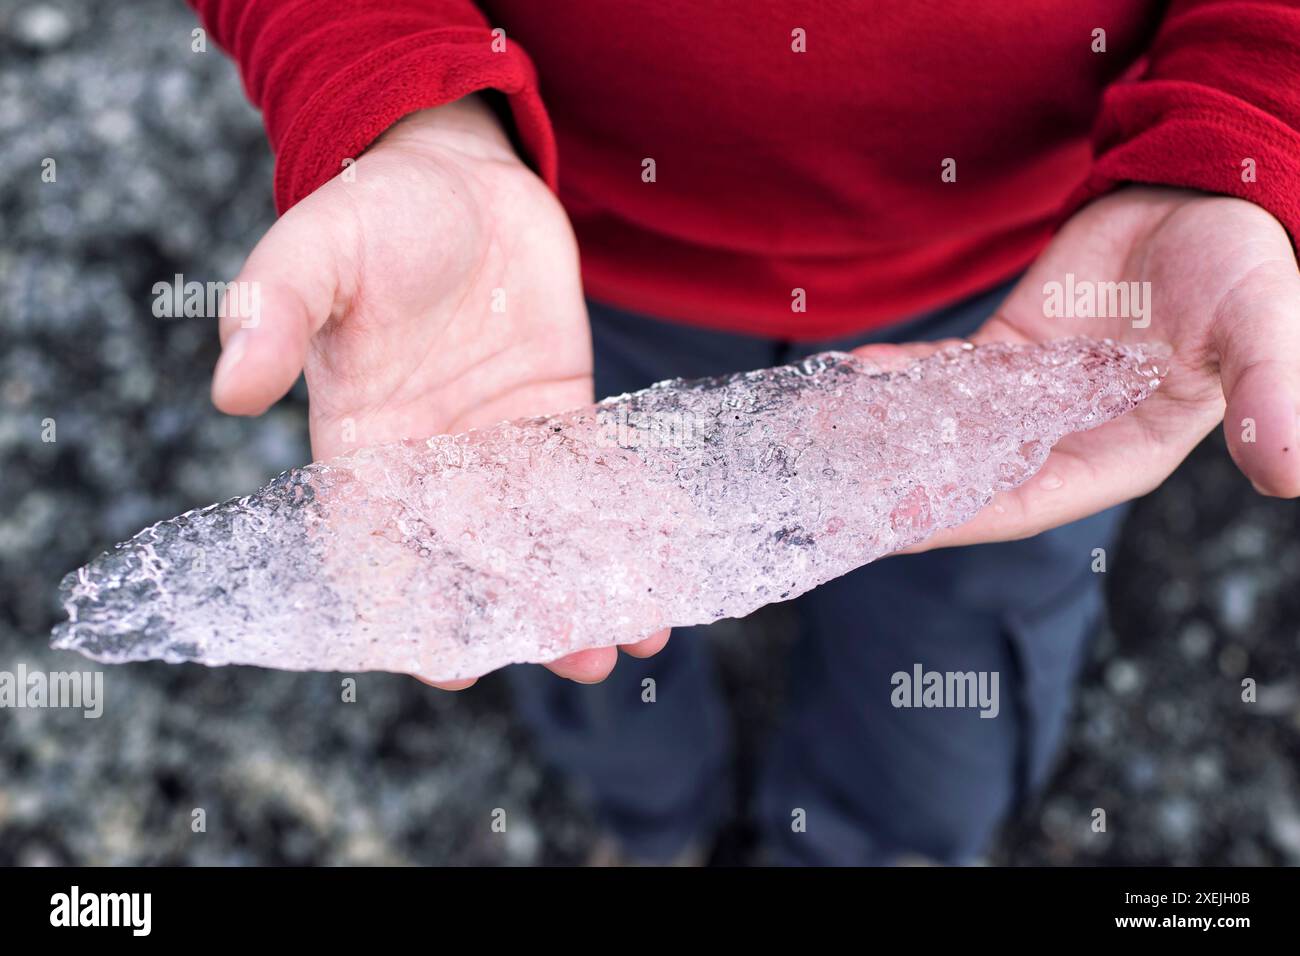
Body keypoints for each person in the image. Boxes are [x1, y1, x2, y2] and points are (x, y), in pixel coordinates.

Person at [189, 1, 1300, 864]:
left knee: (958, 649)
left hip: (1036, 278)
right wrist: (396, 95)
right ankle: (649, 812)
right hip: (539, 270)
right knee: (554, 587)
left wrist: (1245, 129)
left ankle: (876, 840)